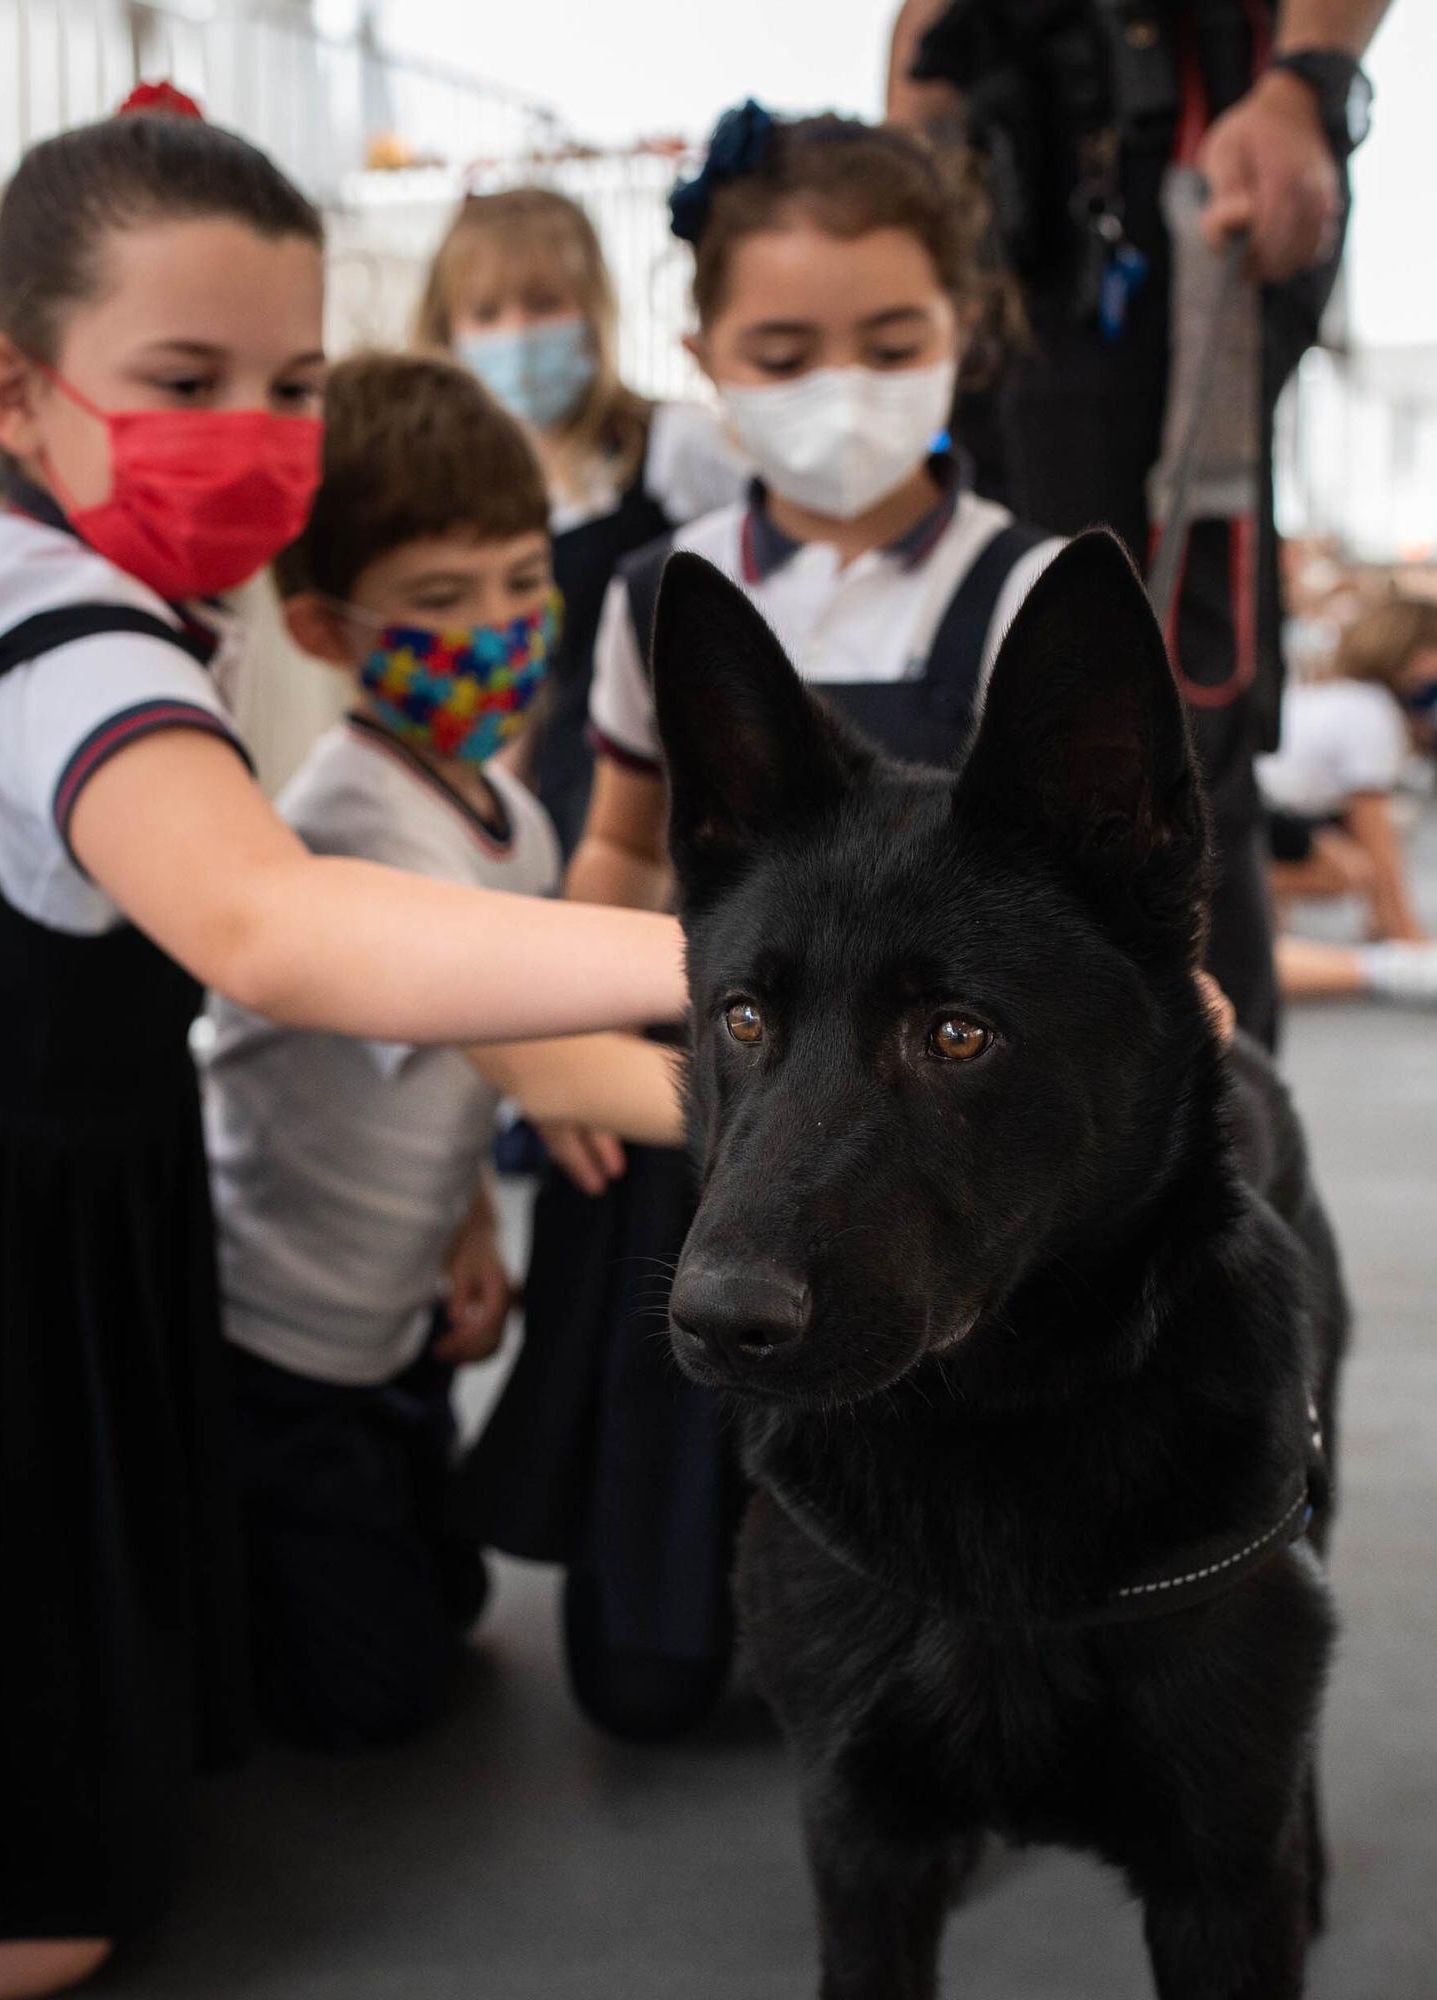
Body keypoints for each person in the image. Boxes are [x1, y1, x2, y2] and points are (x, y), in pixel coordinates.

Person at [0, 100, 686, 2000]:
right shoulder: (74, 658)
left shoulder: (95, 598)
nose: (256, 432)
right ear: (18, 392)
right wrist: (736, 963)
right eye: (183, 377)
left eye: (290, 383)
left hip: (72, 1207)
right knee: (28, 1937)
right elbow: (266, 931)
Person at [458, 104, 1064, 1744]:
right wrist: (577, 1050)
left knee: (942, 1656)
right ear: (705, 352)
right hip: (711, 1119)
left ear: (964, 327)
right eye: (783, 350)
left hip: (920, 1139)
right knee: (643, 1679)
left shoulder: (1022, 591)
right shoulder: (659, 590)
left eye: (891, 340)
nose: (840, 388)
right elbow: (614, 851)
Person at [204, 351, 678, 1754]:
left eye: (523, 584)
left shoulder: (506, 815)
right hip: (272, 1350)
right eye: (436, 602)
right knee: (371, 1695)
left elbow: (449, 1065)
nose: (497, 629)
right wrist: (821, 1102)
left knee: (447, 1601)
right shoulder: (356, 821)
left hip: (391, 1332)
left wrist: (471, 1218)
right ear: (323, 628)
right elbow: (548, 1065)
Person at [885, 0, 1395, 1050]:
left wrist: (1309, 77)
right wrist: (911, 146)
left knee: (1154, 716)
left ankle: (1222, 1151)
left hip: (1169, 156)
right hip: (1002, 180)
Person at [413, 186, 747, 855]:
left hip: (678, 807)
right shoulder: (446, 486)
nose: (517, 333)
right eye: (486, 312)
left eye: (543, 304)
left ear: (591, 310)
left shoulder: (670, 447)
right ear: (447, 330)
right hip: (543, 819)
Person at [1264, 594, 1437, 1003]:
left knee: (1349, 857)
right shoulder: (1372, 711)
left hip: (1265, 804)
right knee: (1351, 868)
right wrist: (1408, 938)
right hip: (1254, 807)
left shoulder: (1352, 698)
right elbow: (1376, 838)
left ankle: (1257, 897)